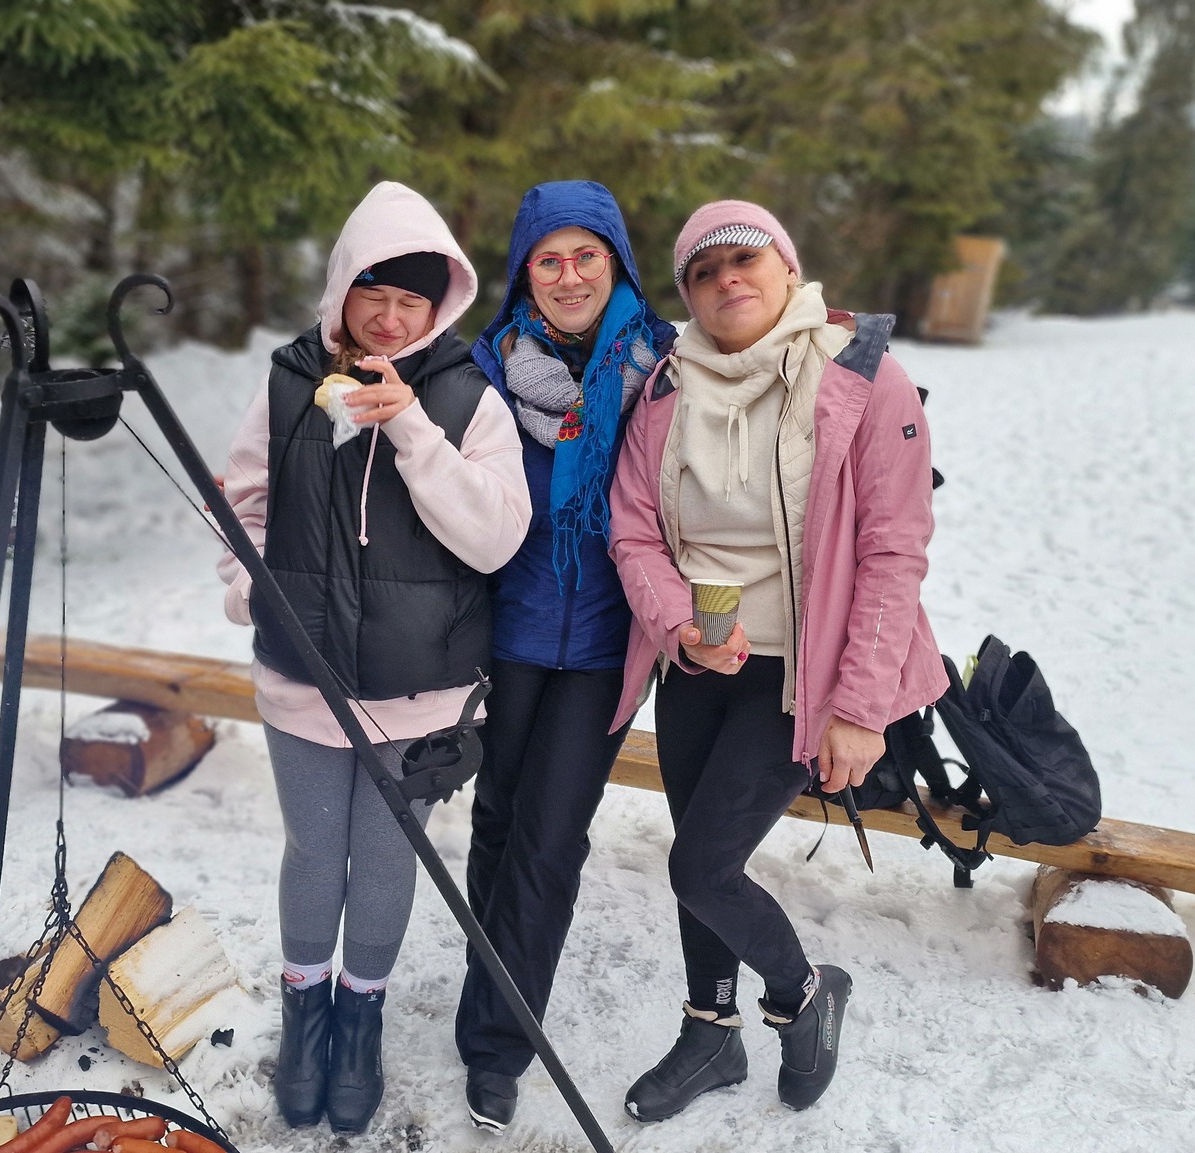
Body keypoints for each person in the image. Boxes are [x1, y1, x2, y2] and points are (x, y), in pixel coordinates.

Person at [606, 201, 946, 1121]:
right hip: (699, 664)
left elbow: (894, 552)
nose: (727, 280)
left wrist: (861, 708)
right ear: (687, 295)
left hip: (802, 673)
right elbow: (633, 528)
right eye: (703, 272)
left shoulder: (862, 379)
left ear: (788, 269)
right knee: (699, 854)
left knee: (701, 866)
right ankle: (709, 1031)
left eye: (745, 260)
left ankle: (803, 994)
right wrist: (679, 624)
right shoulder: (665, 389)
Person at [216, 181, 528, 1135]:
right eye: (373, 294)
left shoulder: (468, 398)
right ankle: (306, 1015)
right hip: (302, 674)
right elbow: (241, 498)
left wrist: (410, 429)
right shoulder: (288, 383)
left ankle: (360, 1020)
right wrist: (248, 589)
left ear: (441, 306)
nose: (390, 318)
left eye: (411, 302)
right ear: (343, 288)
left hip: (419, 688)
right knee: (315, 848)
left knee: (389, 857)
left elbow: (496, 538)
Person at [454, 181, 675, 1130]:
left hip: (604, 647)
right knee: (497, 820)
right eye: (550, 259)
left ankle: (498, 1042)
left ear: (617, 263)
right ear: (524, 274)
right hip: (505, 634)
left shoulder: (665, 371)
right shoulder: (485, 370)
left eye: (588, 255)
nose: (570, 275)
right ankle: (491, 977)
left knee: (549, 838)